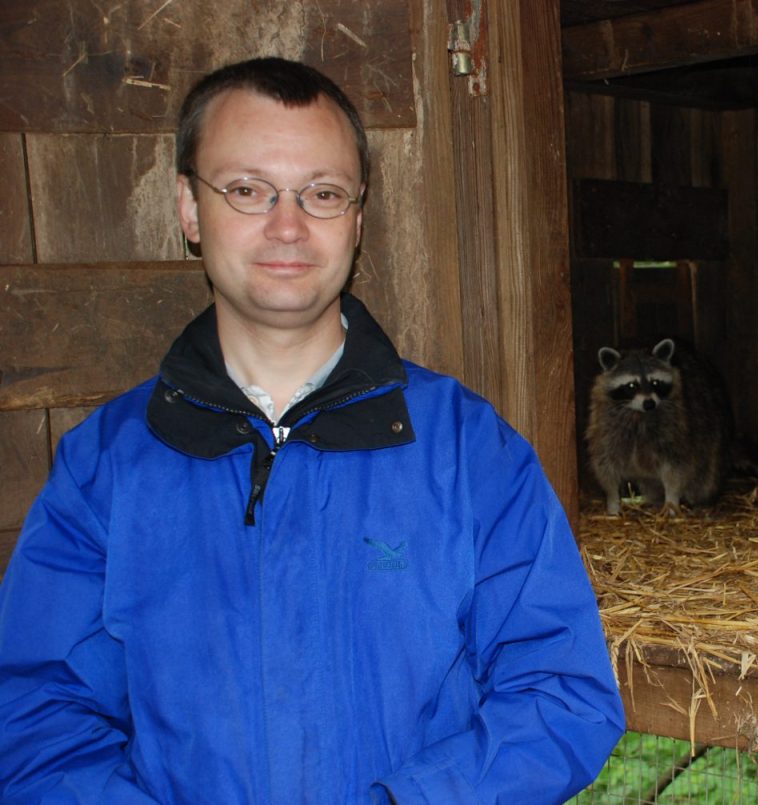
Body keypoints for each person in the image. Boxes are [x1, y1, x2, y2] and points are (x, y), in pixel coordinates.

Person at [0, 57, 625, 803]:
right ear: (189, 209)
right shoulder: (106, 466)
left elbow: (561, 691)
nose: (287, 225)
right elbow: (34, 712)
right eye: (247, 189)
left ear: (358, 218)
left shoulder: (467, 450)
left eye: (321, 193)